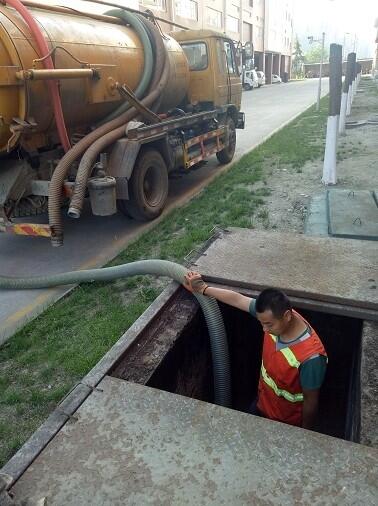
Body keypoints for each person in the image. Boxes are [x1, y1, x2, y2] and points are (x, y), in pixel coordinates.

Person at [184, 271, 327, 430]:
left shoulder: (311, 358)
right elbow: (238, 299)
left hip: (285, 422)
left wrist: (305, 434)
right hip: (262, 403)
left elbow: (311, 402)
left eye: (269, 324)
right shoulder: (273, 317)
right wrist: (203, 288)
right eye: (262, 323)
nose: (265, 329)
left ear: (287, 316)